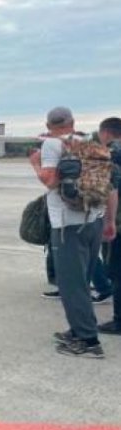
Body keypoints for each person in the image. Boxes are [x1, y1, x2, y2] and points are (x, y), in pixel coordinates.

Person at [29, 106, 112, 358]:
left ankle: (88, 342)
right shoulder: (91, 144)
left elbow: (51, 181)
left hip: (68, 226)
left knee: (71, 285)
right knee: (82, 281)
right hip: (93, 219)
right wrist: (109, 221)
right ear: (72, 122)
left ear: (48, 125)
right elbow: (109, 185)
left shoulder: (53, 145)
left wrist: (35, 164)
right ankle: (78, 330)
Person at [98, 117, 121, 335]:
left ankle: (119, 321)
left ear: (106, 133)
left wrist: (108, 221)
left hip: (119, 221)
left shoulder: (111, 154)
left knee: (116, 271)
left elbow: (109, 188)